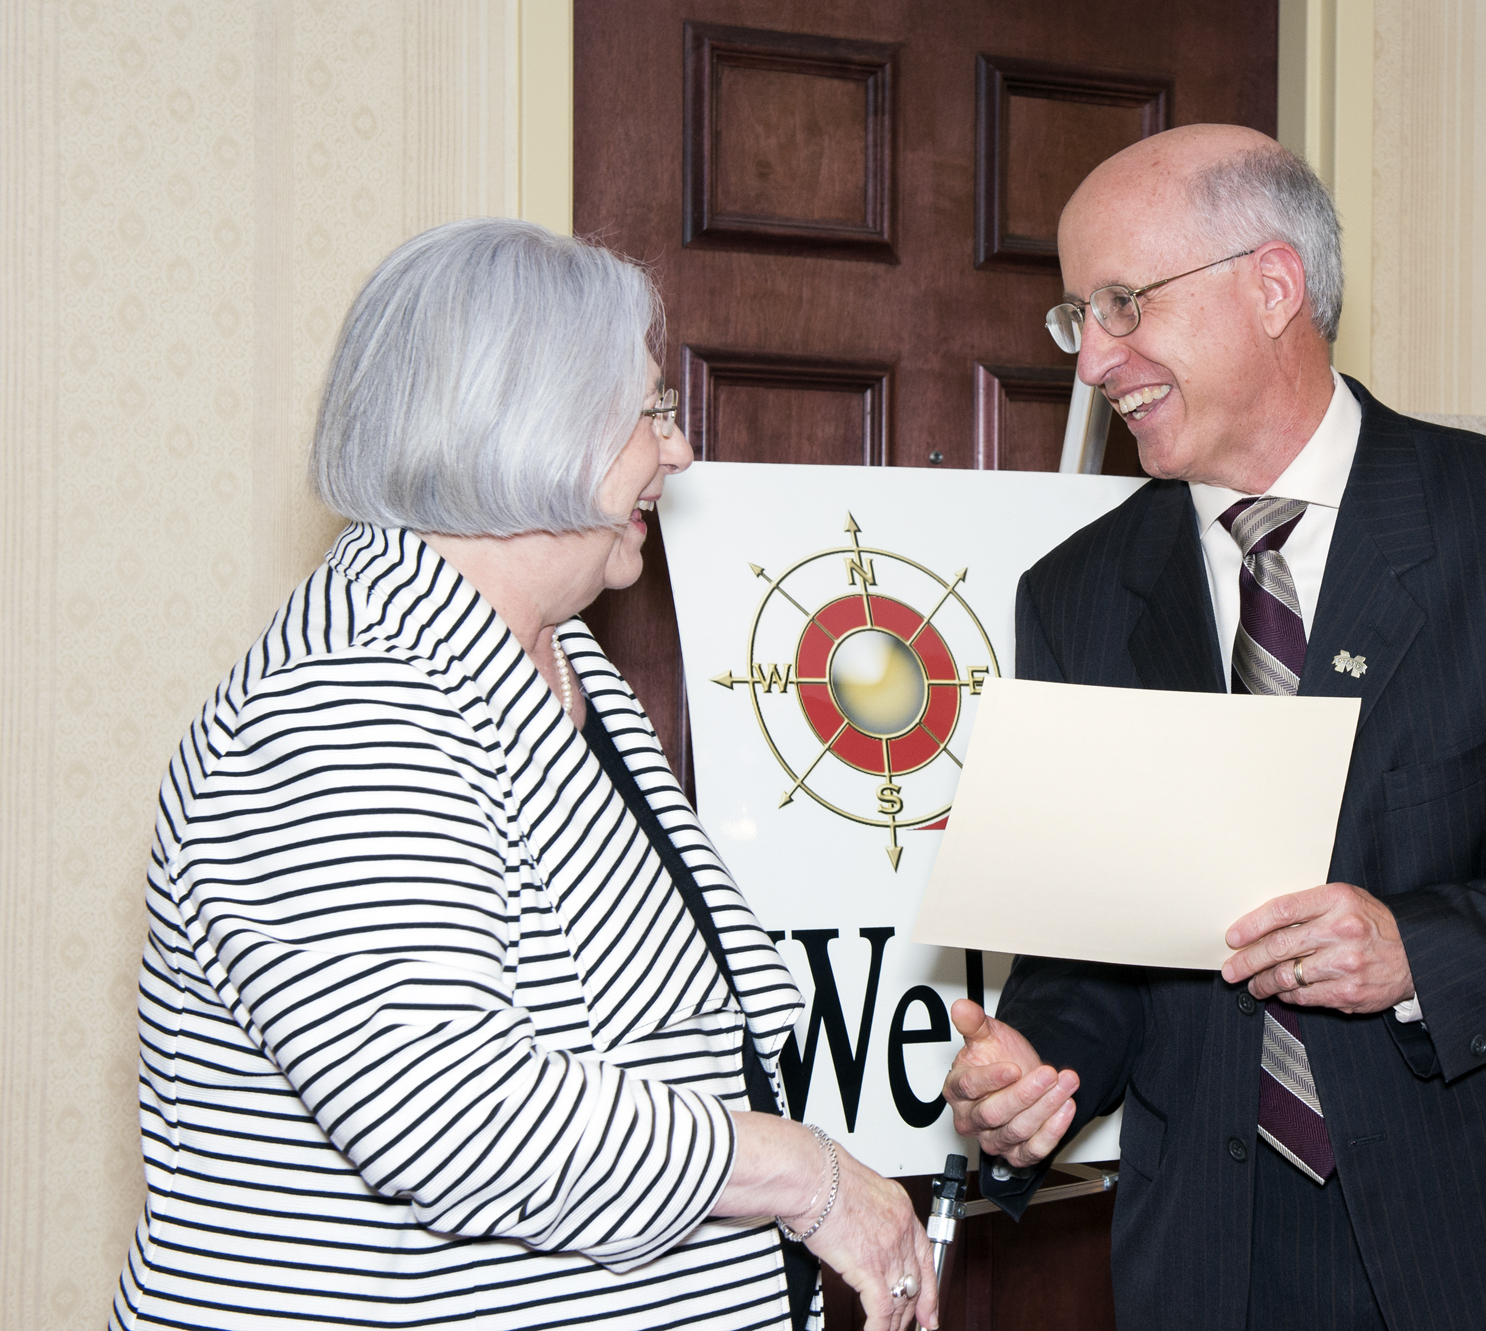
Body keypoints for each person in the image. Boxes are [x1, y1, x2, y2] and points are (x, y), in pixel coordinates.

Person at [942, 125, 1486, 1329]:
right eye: (1075, 318)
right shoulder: (1073, 594)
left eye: (1121, 303)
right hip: (1217, 1262)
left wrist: (1420, 950)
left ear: (1272, 287)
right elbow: (1092, 957)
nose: (1093, 358)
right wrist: (1033, 1071)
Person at [111, 219, 936, 1331]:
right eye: (650, 409)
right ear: (525, 419)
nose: (679, 449)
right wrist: (806, 1175)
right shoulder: (346, 704)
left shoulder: (550, 659)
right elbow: (452, 1113)